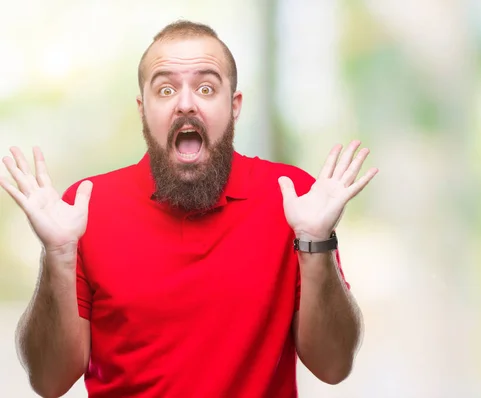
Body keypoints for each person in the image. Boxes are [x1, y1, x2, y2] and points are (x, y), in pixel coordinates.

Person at [0, 20, 378, 398]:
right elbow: (49, 382)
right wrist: (57, 255)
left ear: (234, 106)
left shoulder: (291, 198)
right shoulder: (85, 208)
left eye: (206, 87)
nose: (185, 103)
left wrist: (315, 243)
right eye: (165, 89)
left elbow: (333, 365)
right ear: (143, 109)